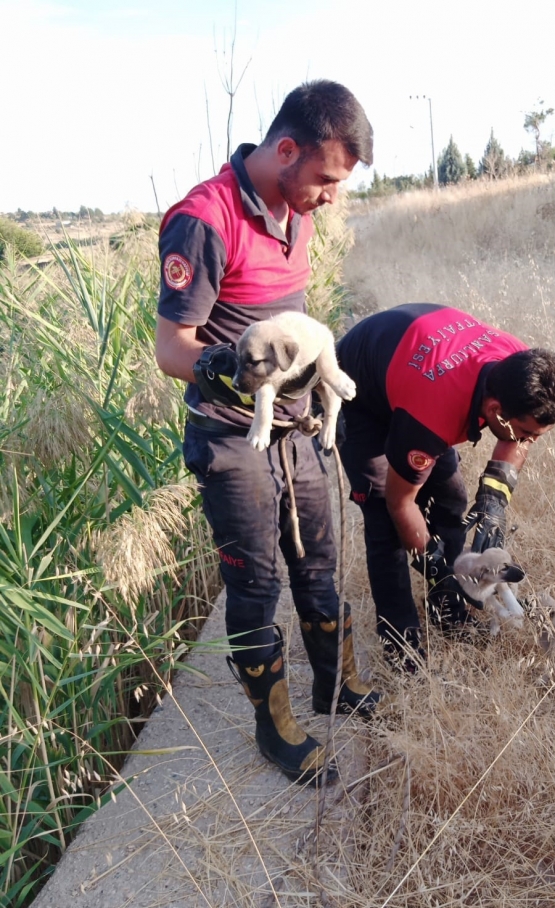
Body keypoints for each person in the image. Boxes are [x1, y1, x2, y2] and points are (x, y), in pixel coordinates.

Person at [155, 80, 380, 787]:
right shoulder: (203, 220)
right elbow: (172, 349)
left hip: (297, 427)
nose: (331, 196)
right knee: (257, 583)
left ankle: (334, 688)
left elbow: (295, 324)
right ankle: (276, 728)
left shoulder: (298, 214)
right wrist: (229, 371)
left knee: (319, 565)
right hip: (229, 436)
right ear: (286, 149)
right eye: (326, 179)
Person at [336, 302, 555, 669]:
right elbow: (402, 504)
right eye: (527, 432)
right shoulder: (432, 415)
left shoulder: (520, 365)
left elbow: (517, 437)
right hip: (359, 391)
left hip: (411, 367)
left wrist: (495, 501)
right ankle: (402, 646)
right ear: (495, 410)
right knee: (385, 522)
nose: (530, 441)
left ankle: (448, 611)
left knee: (450, 499)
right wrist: (435, 566)